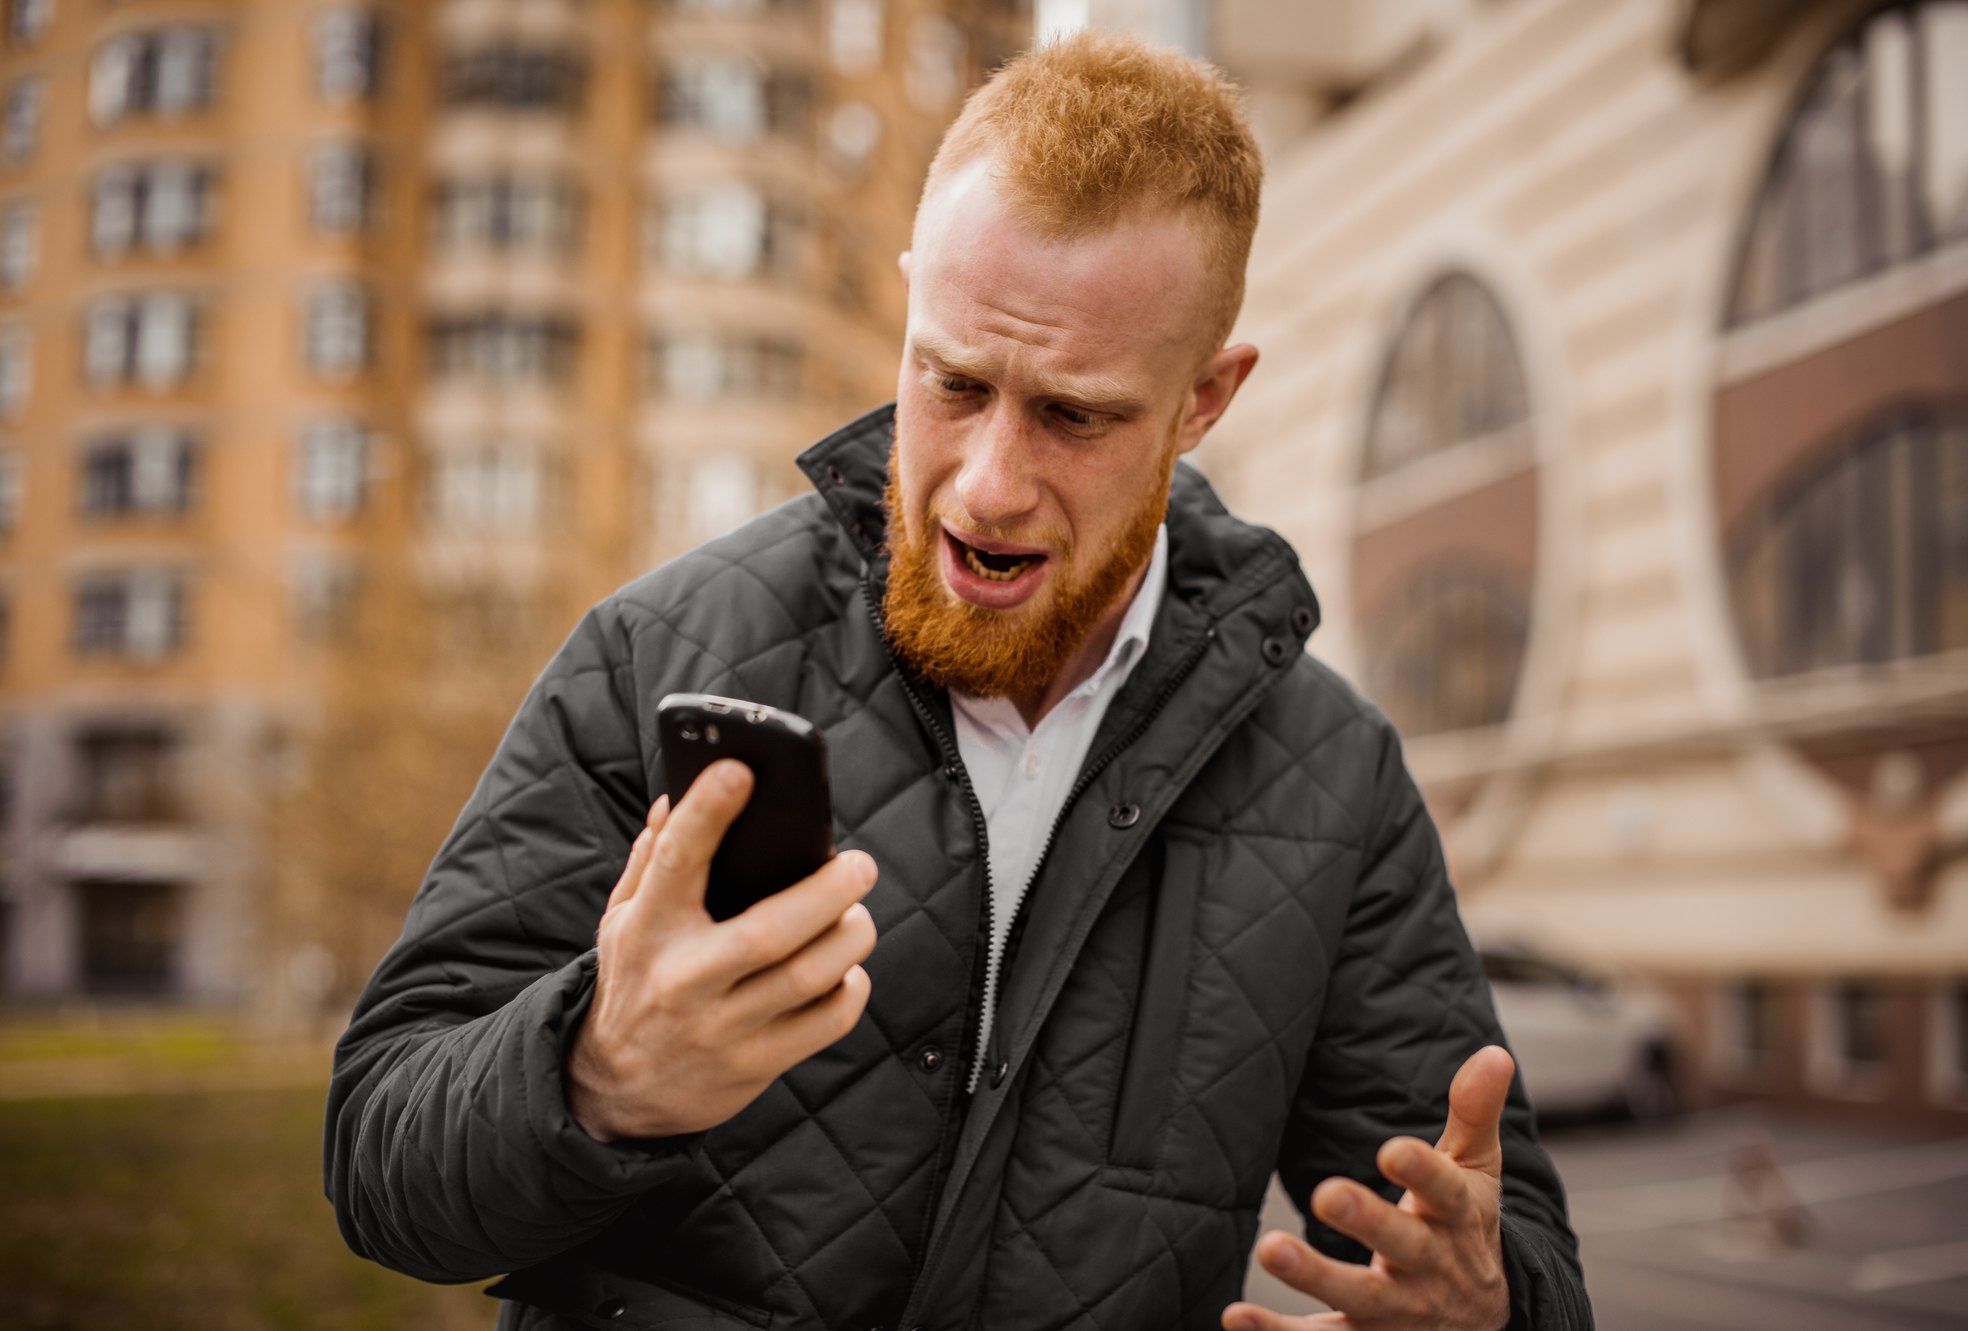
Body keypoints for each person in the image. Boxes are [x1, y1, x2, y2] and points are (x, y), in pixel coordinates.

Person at [325, 30, 1590, 1331]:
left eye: (1073, 414)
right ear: (911, 301)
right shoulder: (662, 654)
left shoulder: (1333, 777)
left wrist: (1487, 1309)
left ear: (1204, 398)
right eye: (954, 381)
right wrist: (594, 1072)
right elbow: (379, 1166)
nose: (988, 481)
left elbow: (1508, 1252)